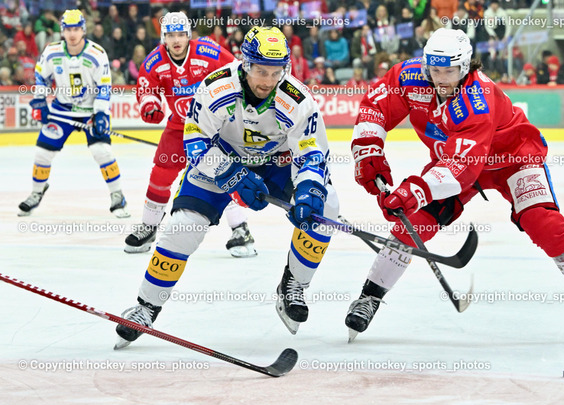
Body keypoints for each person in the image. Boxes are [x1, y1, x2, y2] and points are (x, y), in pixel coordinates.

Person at [345, 28, 564, 345]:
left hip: (512, 158)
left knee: (542, 222)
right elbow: (375, 107)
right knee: (414, 223)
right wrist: (368, 151)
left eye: (449, 71)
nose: (440, 79)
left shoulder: (477, 99)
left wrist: (413, 192)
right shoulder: (409, 77)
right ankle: (370, 296)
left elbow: (462, 168)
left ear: (464, 67)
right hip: (455, 161)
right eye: (434, 70)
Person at [114, 26, 339, 349]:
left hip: (276, 163)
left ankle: (294, 285)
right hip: (221, 158)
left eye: (275, 72)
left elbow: (312, 154)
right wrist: (230, 174)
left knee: (325, 207)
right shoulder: (216, 86)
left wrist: (308, 190)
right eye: (261, 71)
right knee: (183, 226)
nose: (268, 80)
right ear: (246, 64)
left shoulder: (298, 98)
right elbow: (195, 141)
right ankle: (146, 306)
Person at [124, 12, 256, 256]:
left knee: (223, 173)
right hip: (179, 126)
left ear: (188, 35)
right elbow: (146, 88)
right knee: (161, 172)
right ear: (163, 38)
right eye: (170, 35)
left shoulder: (208, 51)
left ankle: (240, 229)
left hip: (214, 127)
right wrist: (150, 105)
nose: (176, 40)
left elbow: (237, 72)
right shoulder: (154, 61)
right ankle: (149, 226)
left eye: (181, 34)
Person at [19, 9, 129, 218]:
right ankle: (36, 192)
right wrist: (40, 101)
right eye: (68, 29)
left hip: (90, 111)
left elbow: (104, 87)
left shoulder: (97, 54)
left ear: (83, 30)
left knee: (102, 151)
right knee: (42, 153)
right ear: (62, 30)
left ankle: (117, 195)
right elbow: (41, 76)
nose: (72, 33)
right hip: (63, 110)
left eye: (76, 29)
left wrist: (101, 114)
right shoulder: (52, 52)